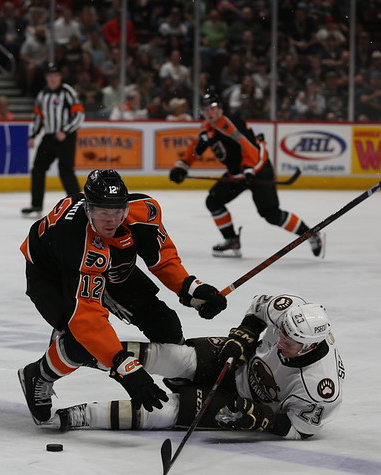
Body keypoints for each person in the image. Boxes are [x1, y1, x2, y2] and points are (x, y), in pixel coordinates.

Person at [17, 169, 228, 425]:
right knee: (80, 343)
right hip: (53, 274)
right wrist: (124, 366)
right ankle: (38, 376)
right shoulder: (75, 238)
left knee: (165, 325)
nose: (112, 220)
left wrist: (190, 288)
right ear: (88, 210)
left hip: (110, 264)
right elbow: (86, 315)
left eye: (118, 212)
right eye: (103, 213)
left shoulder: (144, 211)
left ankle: (178, 378)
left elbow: (161, 257)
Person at [56, 293, 344, 441]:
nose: (281, 340)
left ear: (309, 346)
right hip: (242, 361)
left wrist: (263, 418)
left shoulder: (321, 387)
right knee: (173, 357)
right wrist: (244, 335)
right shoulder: (289, 310)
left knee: (167, 411)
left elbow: (301, 429)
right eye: (281, 331)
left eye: (290, 341)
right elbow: (259, 307)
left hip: (246, 403)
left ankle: (77, 416)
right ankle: (82, 350)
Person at [169, 91, 324, 258]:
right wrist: (182, 166)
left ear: (220, 108)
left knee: (271, 214)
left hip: (258, 169)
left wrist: (249, 169)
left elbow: (248, 146)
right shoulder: (207, 129)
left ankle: (310, 234)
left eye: (213, 108)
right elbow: (195, 148)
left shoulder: (229, 124)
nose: (209, 112)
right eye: (205, 109)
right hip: (238, 174)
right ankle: (231, 240)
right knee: (214, 201)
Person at [21, 62, 85, 217]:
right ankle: (36, 205)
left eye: (55, 76)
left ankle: (79, 205)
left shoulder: (68, 92)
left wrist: (65, 131)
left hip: (66, 137)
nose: (52, 79)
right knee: (38, 168)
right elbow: (38, 117)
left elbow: (79, 114)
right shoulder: (42, 94)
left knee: (66, 170)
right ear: (46, 78)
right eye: (50, 76)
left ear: (60, 77)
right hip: (49, 136)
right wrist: (33, 135)